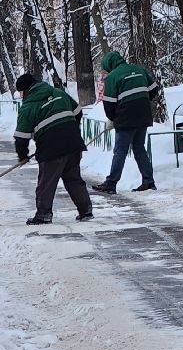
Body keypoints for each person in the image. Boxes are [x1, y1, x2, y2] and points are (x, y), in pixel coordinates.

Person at [14, 72, 94, 225]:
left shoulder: (29, 105)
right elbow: (77, 112)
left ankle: (43, 214)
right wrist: (70, 130)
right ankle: (86, 210)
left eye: (20, 93)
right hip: (73, 143)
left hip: (51, 148)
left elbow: (21, 135)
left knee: (47, 182)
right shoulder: (58, 93)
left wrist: (22, 155)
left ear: (24, 91)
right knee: (73, 178)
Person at [91, 50, 160, 194]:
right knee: (139, 148)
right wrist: (142, 100)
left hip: (126, 118)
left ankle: (111, 184)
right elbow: (154, 90)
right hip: (143, 115)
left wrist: (112, 119)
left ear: (110, 65)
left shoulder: (112, 78)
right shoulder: (139, 69)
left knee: (120, 151)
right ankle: (148, 181)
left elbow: (109, 104)